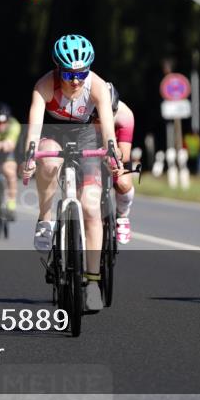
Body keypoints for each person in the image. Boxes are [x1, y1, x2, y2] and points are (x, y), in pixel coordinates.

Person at [23, 34, 120, 312]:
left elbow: (109, 131)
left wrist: (112, 152)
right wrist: (30, 155)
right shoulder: (44, 86)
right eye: (68, 73)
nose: (75, 80)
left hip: (88, 136)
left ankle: (91, 283)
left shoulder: (97, 86)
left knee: (90, 205)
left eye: (81, 73)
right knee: (49, 162)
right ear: (58, 69)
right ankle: (45, 218)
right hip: (54, 134)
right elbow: (34, 127)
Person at [90, 83, 136, 244]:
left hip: (114, 150)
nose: (102, 121)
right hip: (89, 146)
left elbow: (124, 154)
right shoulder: (82, 113)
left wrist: (114, 155)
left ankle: (122, 215)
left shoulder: (125, 115)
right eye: (97, 117)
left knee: (123, 183)